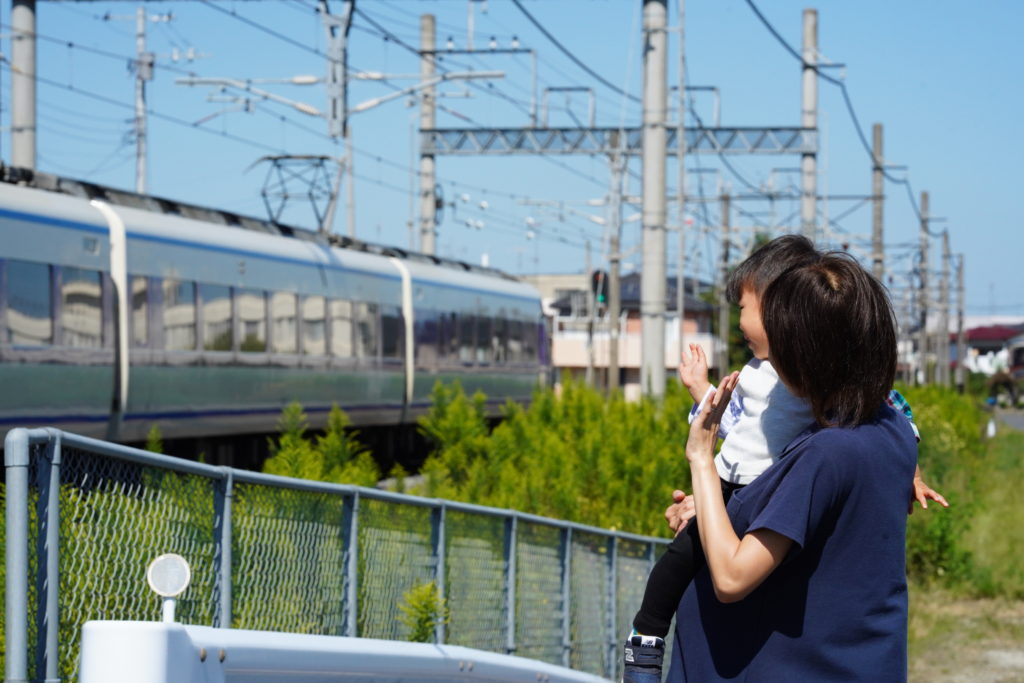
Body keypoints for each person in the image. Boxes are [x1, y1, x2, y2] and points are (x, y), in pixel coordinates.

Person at [622, 236, 946, 682]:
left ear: (806, 352)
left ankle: (644, 641)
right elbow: (785, 501)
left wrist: (700, 459)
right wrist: (716, 503)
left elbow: (733, 577)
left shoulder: (826, 454)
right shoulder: (885, 426)